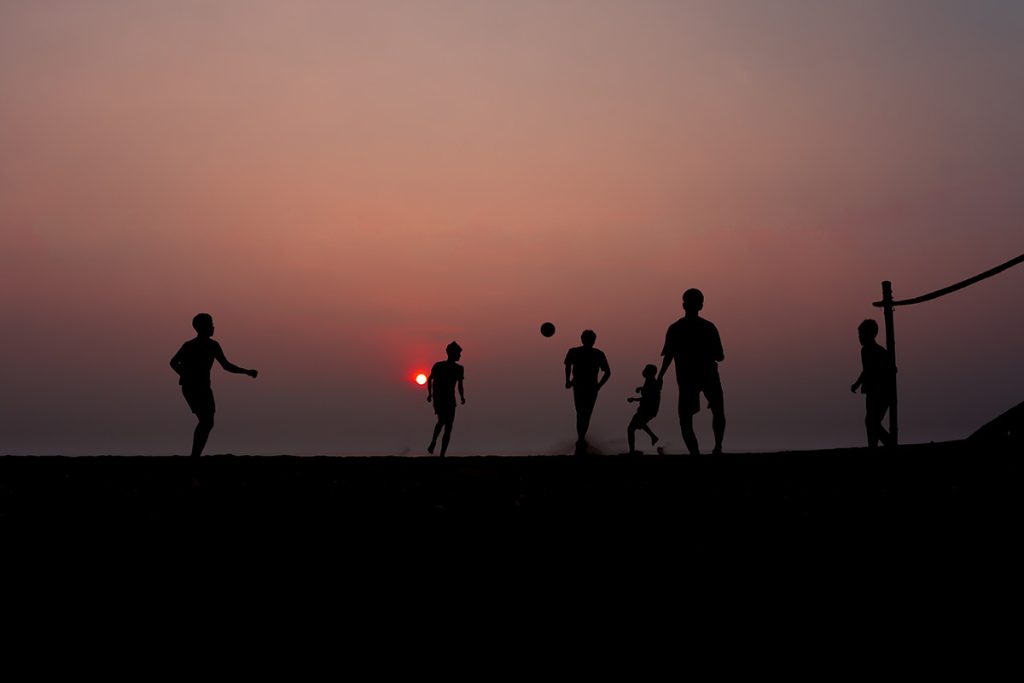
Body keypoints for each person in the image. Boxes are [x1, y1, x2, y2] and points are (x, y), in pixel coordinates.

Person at [169, 313, 258, 458]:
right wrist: (184, 375)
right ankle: (195, 456)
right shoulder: (191, 345)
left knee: (207, 421)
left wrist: (246, 372)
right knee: (206, 420)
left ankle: (195, 455)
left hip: (203, 387)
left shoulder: (212, 345)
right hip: (192, 388)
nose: (213, 327)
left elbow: (226, 365)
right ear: (202, 327)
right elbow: (173, 362)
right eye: (210, 324)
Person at [657, 288, 725, 455]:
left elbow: (668, 356)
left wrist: (660, 377)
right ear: (700, 306)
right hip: (705, 375)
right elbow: (720, 356)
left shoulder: (675, 328)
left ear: (683, 305)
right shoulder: (708, 327)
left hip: (689, 378)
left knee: (686, 420)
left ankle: (696, 453)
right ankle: (716, 448)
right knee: (717, 412)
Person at [564, 330, 611, 454]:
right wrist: (568, 380)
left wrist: (599, 386)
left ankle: (581, 439)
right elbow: (568, 365)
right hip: (582, 386)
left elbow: (607, 372)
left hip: (589, 387)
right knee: (583, 413)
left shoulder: (597, 354)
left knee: (583, 413)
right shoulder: (575, 351)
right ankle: (581, 439)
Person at [850, 319, 895, 447]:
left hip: (881, 393)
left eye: (861, 334)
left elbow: (868, 370)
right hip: (871, 392)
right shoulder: (866, 351)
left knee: (872, 422)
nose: (859, 338)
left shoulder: (878, 351)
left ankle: (890, 443)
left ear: (869, 335)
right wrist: (858, 384)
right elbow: (866, 370)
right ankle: (874, 445)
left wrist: (857, 384)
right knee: (871, 422)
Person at [427, 341, 465, 457]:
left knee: (448, 425)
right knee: (443, 421)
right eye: (458, 353)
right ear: (452, 353)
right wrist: (430, 394)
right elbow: (430, 379)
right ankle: (434, 442)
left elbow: (460, 385)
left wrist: (462, 397)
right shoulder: (439, 365)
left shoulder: (459, 368)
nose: (460, 356)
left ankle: (442, 454)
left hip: (449, 399)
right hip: (440, 398)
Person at [627, 364, 662, 454]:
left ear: (649, 372)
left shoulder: (651, 382)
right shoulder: (649, 381)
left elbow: (648, 397)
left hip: (647, 410)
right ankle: (653, 436)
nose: (644, 371)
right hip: (649, 410)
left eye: (646, 370)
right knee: (639, 424)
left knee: (631, 428)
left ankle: (632, 452)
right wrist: (641, 388)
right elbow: (648, 392)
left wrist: (634, 399)